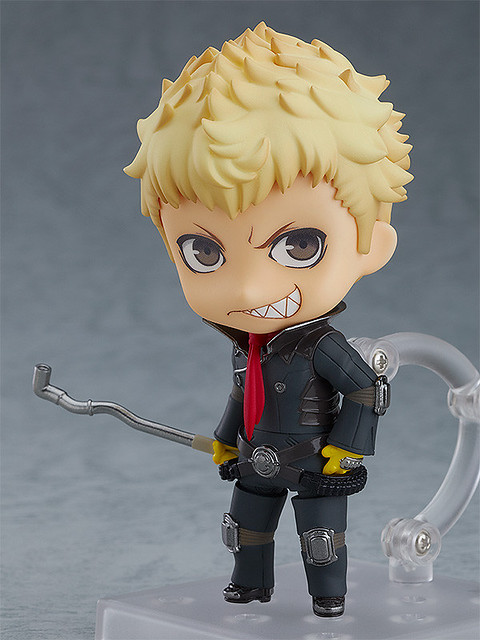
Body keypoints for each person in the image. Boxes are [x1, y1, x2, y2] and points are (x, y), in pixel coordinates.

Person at [125, 22, 412, 617]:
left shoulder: (321, 345)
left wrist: (348, 451)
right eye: (204, 252)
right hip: (256, 456)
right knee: (245, 528)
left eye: (298, 246)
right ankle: (250, 584)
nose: (250, 289)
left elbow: (366, 388)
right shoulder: (247, 345)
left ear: (372, 245)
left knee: (320, 538)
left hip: (313, 460)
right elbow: (242, 393)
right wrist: (225, 438)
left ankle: (327, 598)